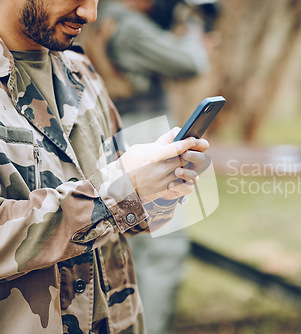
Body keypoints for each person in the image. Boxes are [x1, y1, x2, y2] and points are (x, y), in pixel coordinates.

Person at [0, 0, 209, 333]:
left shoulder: (83, 72)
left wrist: (161, 184)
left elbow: (126, 216)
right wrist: (113, 194)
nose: (90, 14)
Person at [80, 1, 216, 333]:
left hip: (129, 130)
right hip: (139, 131)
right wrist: (194, 28)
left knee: (138, 252)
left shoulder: (111, 21)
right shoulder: (125, 24)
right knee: (161, 253)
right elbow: (191, 62)